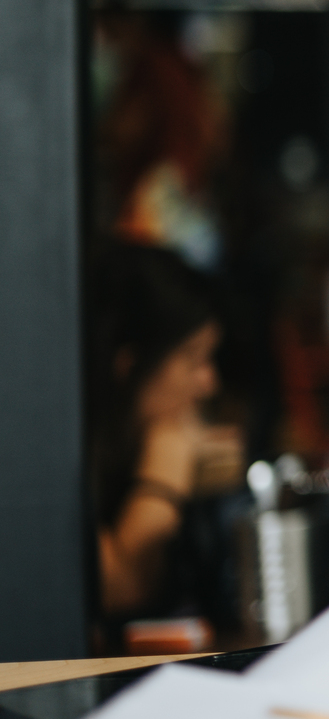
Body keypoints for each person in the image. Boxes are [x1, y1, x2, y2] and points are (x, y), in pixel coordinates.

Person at [90, 243, 236, 622]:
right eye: (193, 358)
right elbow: (114, 591)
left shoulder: (131, 447)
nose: (209, 382)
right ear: (127, 364)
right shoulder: (51, 459)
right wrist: (162, 479)